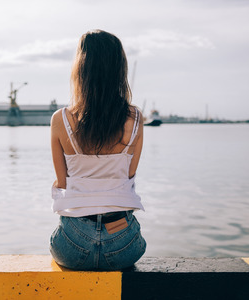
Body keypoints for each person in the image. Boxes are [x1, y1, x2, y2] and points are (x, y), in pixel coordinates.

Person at [49, 30, 146, 271]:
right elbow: (128, 176)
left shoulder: (61, 119)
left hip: (72, 245)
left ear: (80, 69)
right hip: (123, 243)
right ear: (119, 69)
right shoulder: (134, 118)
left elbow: (62, 183)